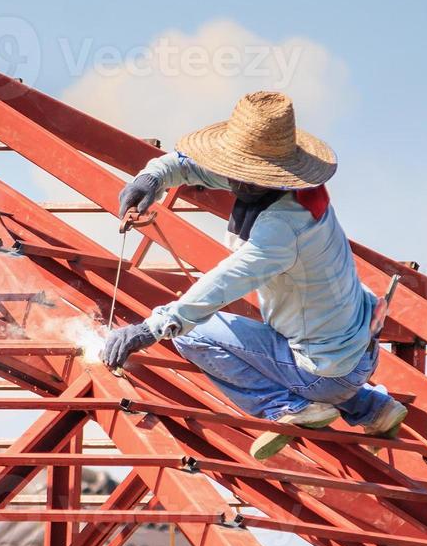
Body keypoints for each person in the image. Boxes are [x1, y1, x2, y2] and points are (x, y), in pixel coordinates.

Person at [101, 91, 407, 460]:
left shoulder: (281, 228)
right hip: (359, 358)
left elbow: (224, 283)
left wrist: (150, 329)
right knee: (309, 334)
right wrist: (153, 176)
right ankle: (370, 406)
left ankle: (287, 407)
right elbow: (194, 167)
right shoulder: (300, 192)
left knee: (192, 333)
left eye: (243, 174)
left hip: (321, 374)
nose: (232, 181)